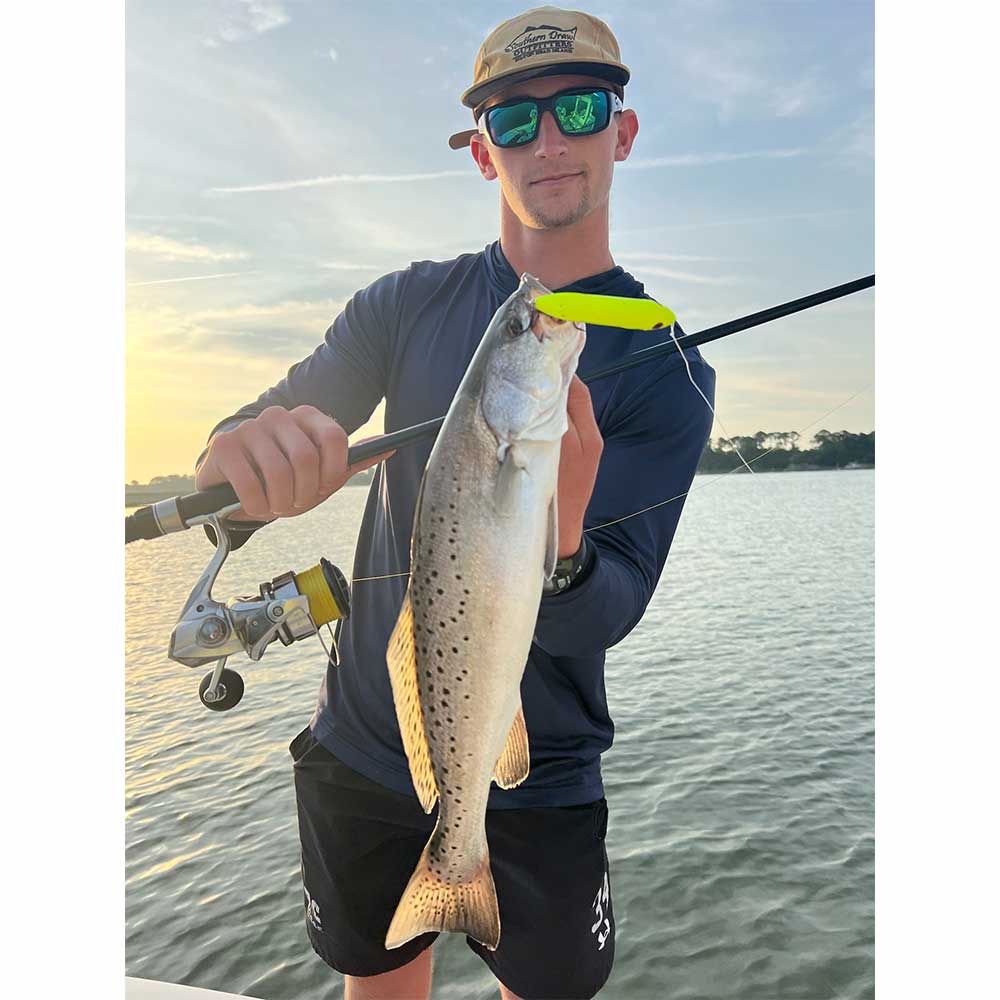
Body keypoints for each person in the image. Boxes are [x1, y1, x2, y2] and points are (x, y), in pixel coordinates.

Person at [194, 6, 715, 999]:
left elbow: (614, 608)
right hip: (361, 746)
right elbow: (243, 449)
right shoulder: (403, 306)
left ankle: (464, 848)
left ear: (624, 131)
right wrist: (241, 453)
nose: (548, 139)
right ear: (484, 153)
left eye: (577, 107)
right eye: (514, 122)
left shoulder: (665, 371)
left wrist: (563, 545)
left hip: (542, 769)